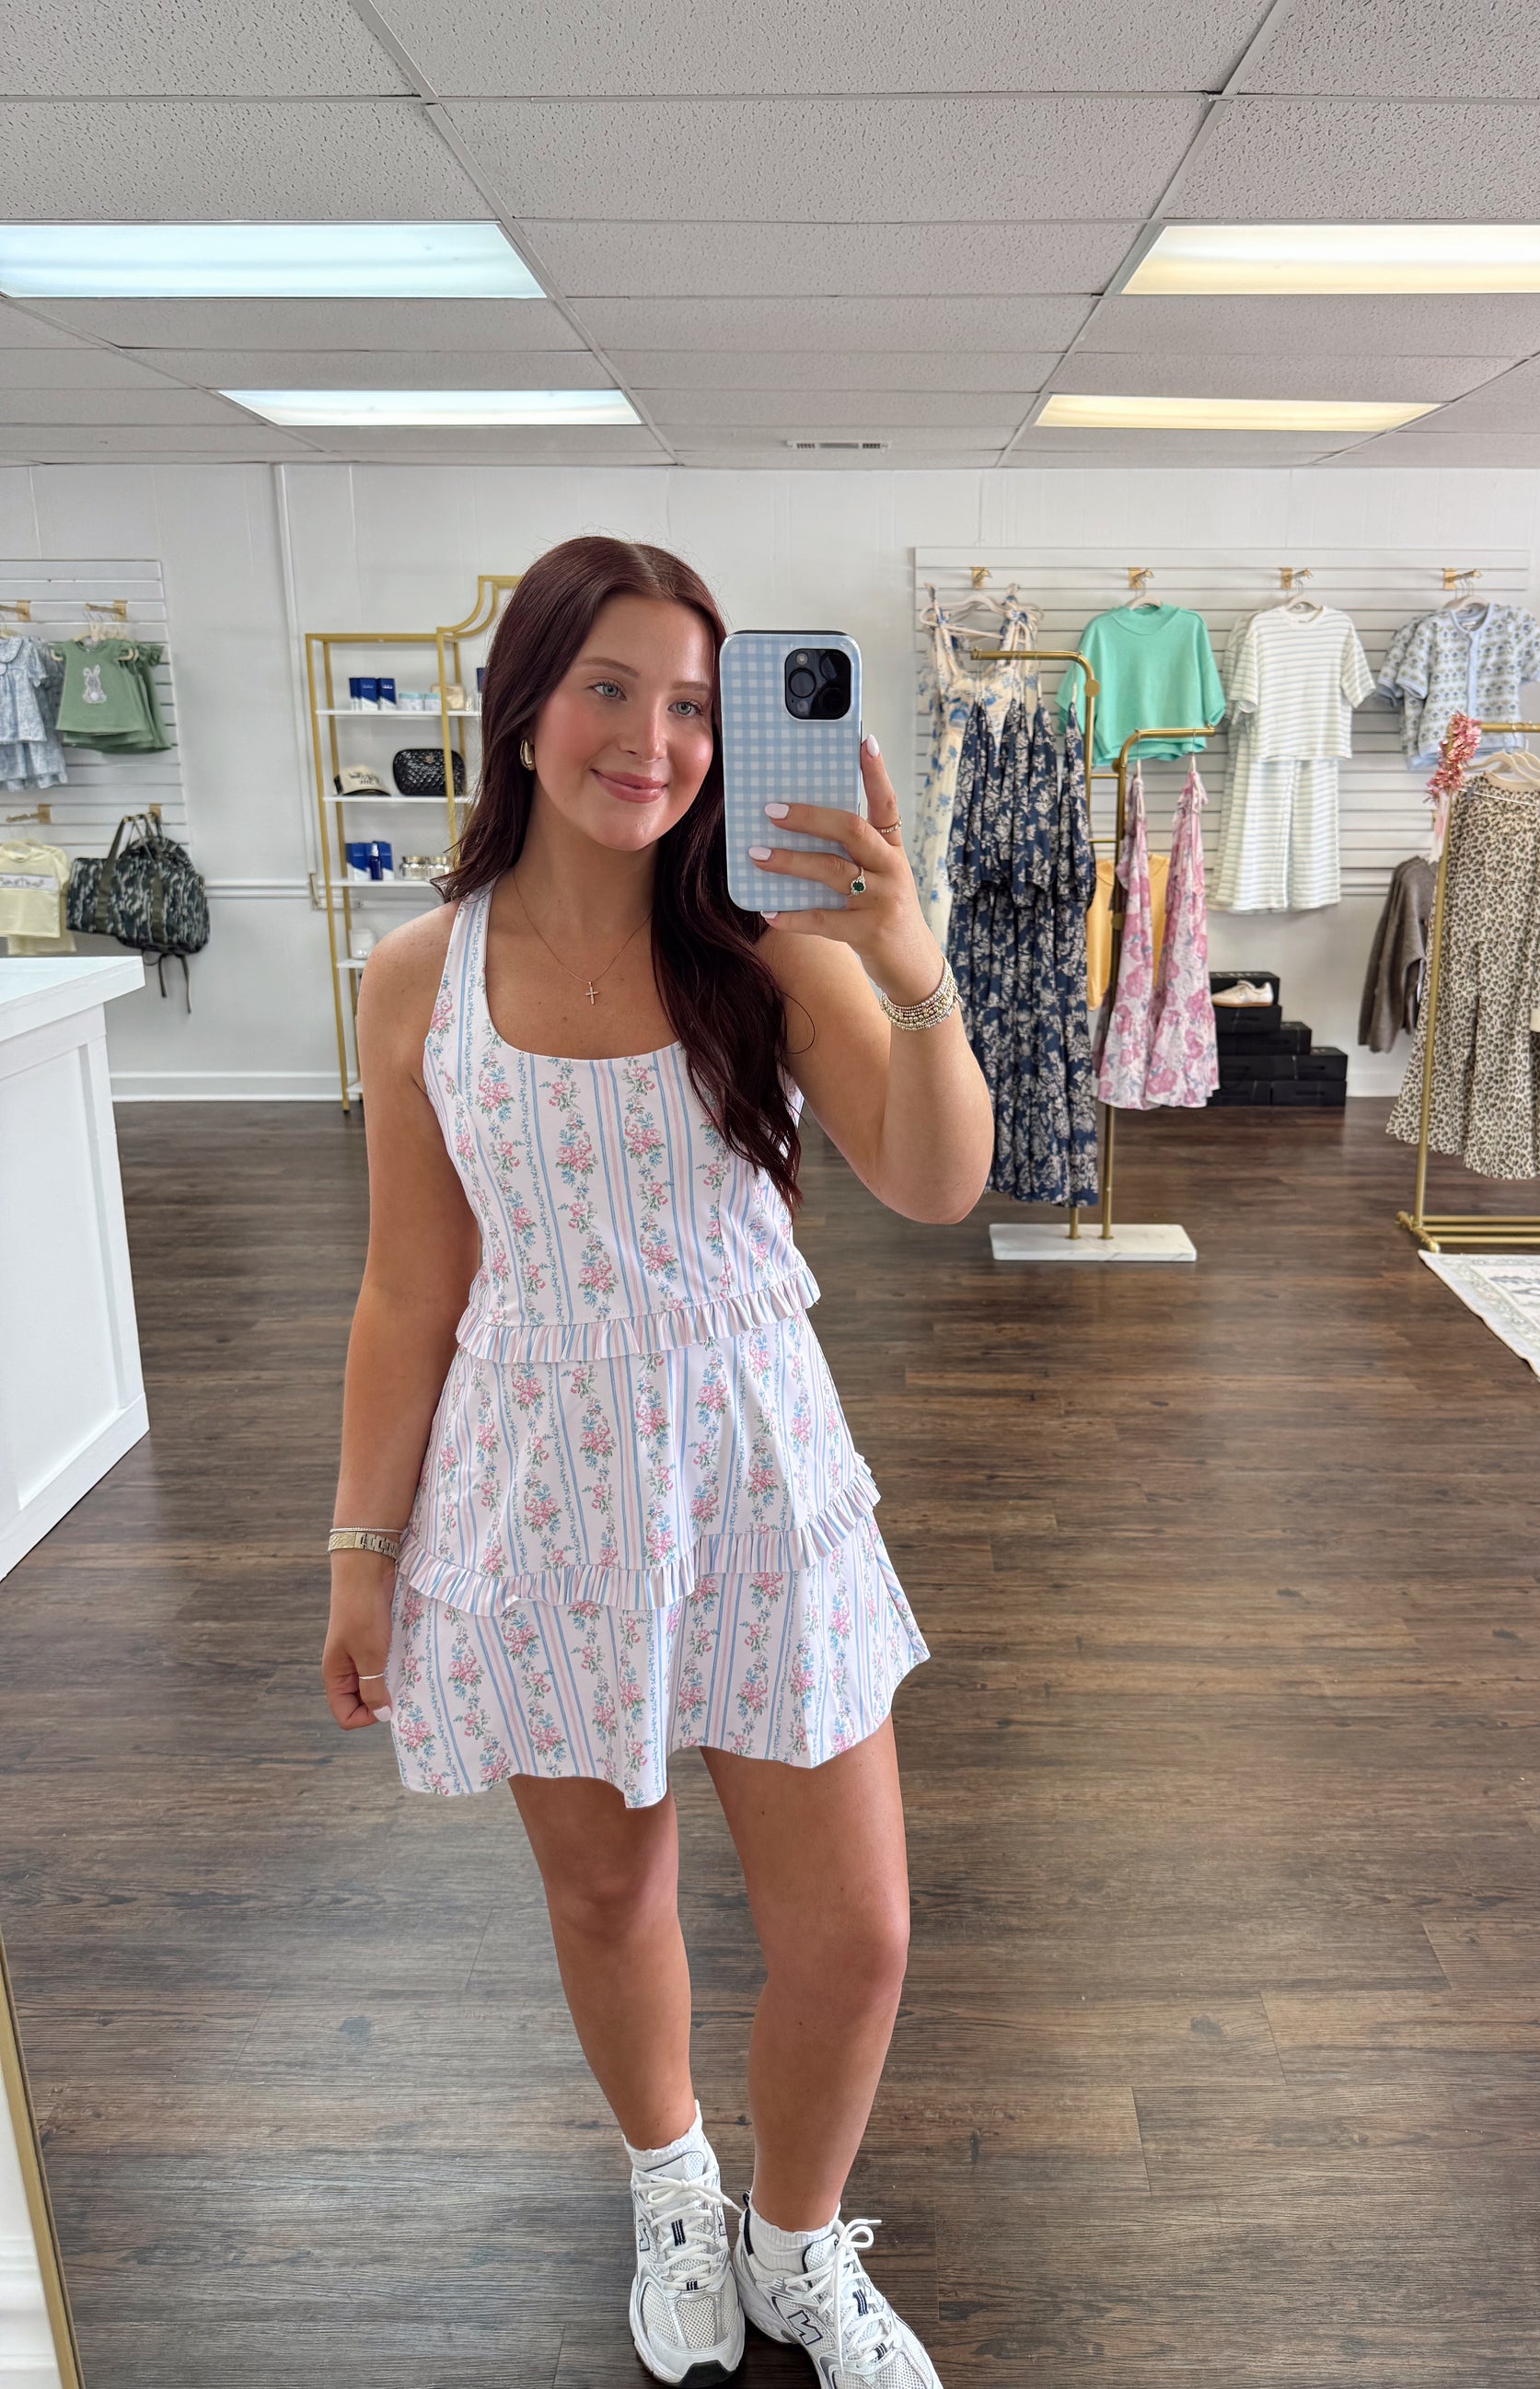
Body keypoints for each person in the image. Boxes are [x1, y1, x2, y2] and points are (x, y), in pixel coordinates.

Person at [319, 536, 991, 2388]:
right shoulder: (418, 976)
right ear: (523, 706)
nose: (653, 738)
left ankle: (797, 2241)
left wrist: (910, 965)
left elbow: (936, 1181)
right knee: (606, 1893)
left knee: (855, 1935)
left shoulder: (771, 950)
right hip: (534, 1483)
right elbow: (407, 1285)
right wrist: (360, 1551)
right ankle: (673, 2183)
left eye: (693, 704)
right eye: (607, 687)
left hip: (757, 1465)